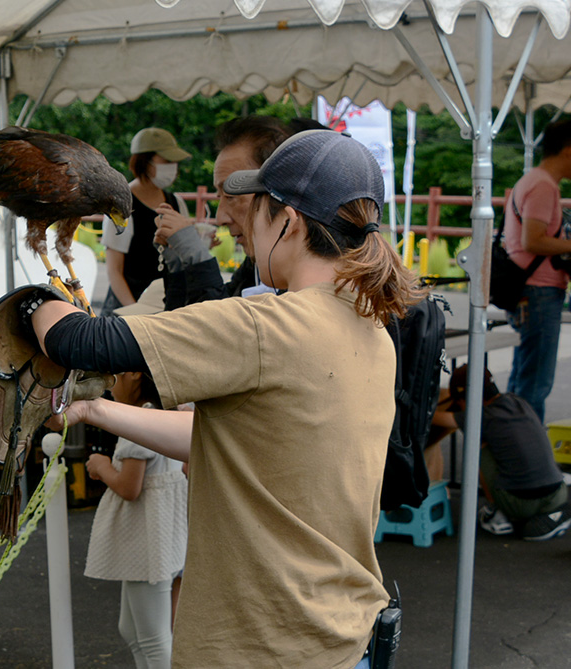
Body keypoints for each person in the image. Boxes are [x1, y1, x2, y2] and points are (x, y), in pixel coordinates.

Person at [28, 130, 425, 667]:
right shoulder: (370, 326)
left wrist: (35, 301)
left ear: (287, 221)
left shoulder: (267, 326)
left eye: (252, 208)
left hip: (261, 646)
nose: (239, 223)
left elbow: (80, 340)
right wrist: (97, 409)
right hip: (341, 637)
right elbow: (243, 442)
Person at [153, 117, 328, 309]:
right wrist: (180, 261)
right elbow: (185, 322)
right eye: (219, 197)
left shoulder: (316, 287)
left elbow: (216, 330)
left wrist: (196, 255)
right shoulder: (255, 263)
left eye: (231, 196)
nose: (220, 218)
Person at [83, 369, 187, 669]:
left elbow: (130, 487)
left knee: (154, 639)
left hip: (147, 542)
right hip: (166, 535)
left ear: (134, 376)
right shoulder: (170, 413)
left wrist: (101, 466)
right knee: (134, 630)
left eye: (114, 377)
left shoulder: (140, 421)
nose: (109, 386)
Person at [432, 364, 571, 540]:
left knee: (478, 446)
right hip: (557, 492)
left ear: (467, 397)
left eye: (459, 403)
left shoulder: (482, 415)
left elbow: (436, 418)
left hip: (521, 503)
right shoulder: (517, 401)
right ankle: (554, 515)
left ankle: (495, 512)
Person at [502, 119, 571, 421]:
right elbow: (534, 240)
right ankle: (526, 458)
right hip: (539, 291)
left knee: (523, 377)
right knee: (535, 384)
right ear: (568, 150)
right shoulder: (544, 186)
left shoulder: (531, 180)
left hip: (527, 290)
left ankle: (509, 450)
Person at [101, 127, 192, 312]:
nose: (173, 167)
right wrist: (136, 312)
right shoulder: (121, 206)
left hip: (166, 307)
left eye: (174, 161)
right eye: (167, 160)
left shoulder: (177, 202)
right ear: (145, 161)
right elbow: (114, 271)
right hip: (127, 308)